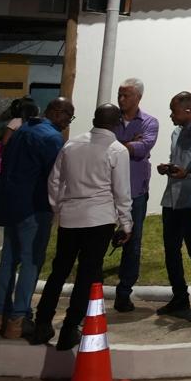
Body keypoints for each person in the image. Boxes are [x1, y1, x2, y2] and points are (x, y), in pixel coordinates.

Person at [30, 104, 133, 351]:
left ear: (94, 119)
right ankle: (69, 328)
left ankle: (42, 323)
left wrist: (59, 208)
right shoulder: (117, 150)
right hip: (99, 218)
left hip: (70, 217)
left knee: (59, 271)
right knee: (86, 274)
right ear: (118, 122)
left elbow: (54, 181)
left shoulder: (71, 144)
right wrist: (126, 223)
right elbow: (122, 191)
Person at [0, 97, 70, 339]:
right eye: (69, 117)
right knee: (31, 261)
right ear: (57, 113)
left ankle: (0, 317)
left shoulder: (22, 129)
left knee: (8, 260)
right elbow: (55, 176)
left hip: (10, 204)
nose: (68, 123)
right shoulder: (51, 138)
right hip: (34, 207)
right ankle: (19, 317)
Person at [155, 91, 191, 322]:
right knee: (171, 250)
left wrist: (189, 173)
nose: (171, 115)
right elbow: (179, 162)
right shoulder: (176, 132)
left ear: (188, 110)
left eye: (174, 111)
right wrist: (168, 168)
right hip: (172, 199)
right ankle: (179, 296)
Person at [112, 77, 158, 313]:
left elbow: (143, 148)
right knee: (98, 241)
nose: (121, 99)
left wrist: (118, 144)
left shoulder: (149, 122)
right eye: (120, 94)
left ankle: (124, 292)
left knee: (133, 244)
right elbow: (105, 145)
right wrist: (128, 144)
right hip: (106, 191)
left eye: (126, 95)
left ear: (138, 97)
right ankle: (91, 288)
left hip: (135, 192)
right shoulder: (110, 120)